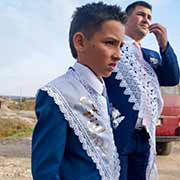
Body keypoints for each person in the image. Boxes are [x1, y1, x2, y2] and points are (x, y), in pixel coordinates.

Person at [31, 2, 126, 180]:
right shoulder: (58, 94)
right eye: (110, 43)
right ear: (80, 42)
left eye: (120, 45)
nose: (118, 54)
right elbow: (45, 170)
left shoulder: (102, 90)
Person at [104, 1, 180, 180]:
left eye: (149, 17)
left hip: (145, 136)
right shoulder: (113, 47)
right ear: (125, 19)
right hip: (119, 133)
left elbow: (172, 78)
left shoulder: (151, 56)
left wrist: (164, 46)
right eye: (141, 14)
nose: (146, 20)